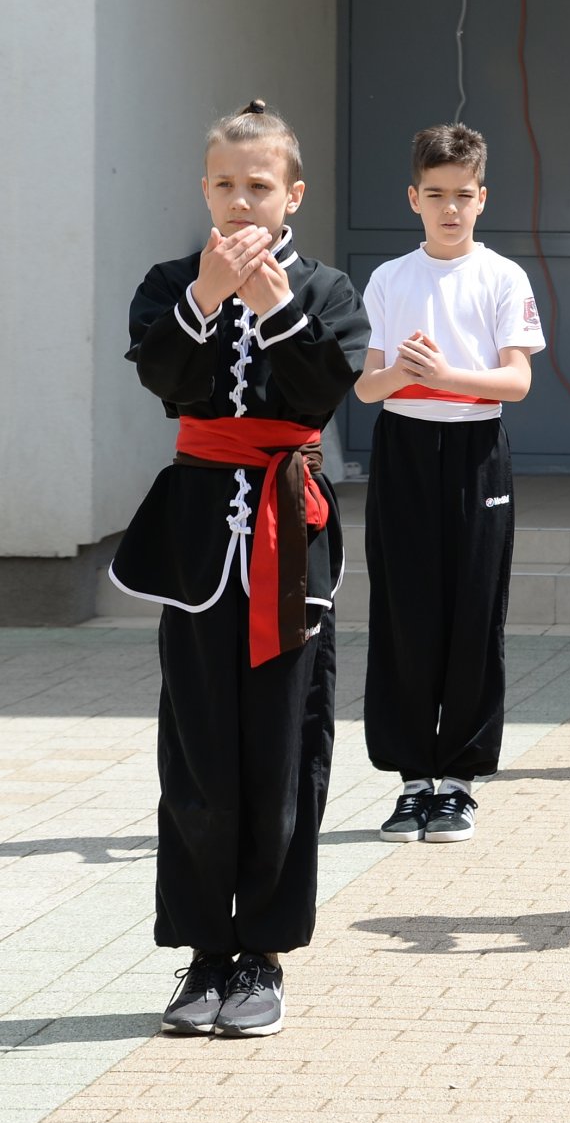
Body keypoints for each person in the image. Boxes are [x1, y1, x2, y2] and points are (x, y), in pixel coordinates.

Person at [111, 99, 369, 1037]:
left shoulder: (333, 290)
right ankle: (201, 954)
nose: (239, 201)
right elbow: (163, 378)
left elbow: (319, 391)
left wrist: (273, 305)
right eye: (223, 183)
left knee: (282, 750)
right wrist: (209, 299)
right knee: (197, 754)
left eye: (258, 185)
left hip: (288, 540)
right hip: (197, 550)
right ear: (204, 188)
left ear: (291, 194)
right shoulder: (171, 282)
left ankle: (261, 952)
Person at [353, 123, 545, 846]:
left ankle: (458, 781)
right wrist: (404, 374)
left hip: (475, 450)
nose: (450, 208)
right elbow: (368, 388)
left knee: (473, 611)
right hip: (403, 445)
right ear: (413, 198)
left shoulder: (502, 277)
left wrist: (445, 377)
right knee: (405, 612)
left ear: (482, 198)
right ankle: (410, 781)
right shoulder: (389, 279)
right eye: (435, 195)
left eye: (463, 195)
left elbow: (518, 381)